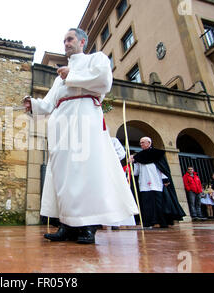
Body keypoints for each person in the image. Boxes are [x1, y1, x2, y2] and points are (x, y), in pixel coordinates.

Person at [23, 28, 139, 244]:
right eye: (64, 40)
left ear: (82, 41)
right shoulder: (59, 77)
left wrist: (72, 75)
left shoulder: (96, 58)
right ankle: (67, 225)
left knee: (85, 170)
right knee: (62, 173)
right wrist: (34, 105)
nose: (66, 43)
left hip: (84, 117)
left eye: (70, 39)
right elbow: (49, 103)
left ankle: (88, 226)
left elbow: (104, 81)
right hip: (60, 124)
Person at [130, 137, 186, 228]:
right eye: (140, 143)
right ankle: (148, 222)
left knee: (159, 204)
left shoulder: (157, 154)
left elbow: (162, 168)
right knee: (146, 204)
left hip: (157, 182)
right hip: (144, 183)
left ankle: (162, 221)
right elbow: (136, 172)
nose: (141, 144)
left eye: (143, 142)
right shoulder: (139, 156)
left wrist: (165, 179)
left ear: (149, 143)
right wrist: (133, 163)